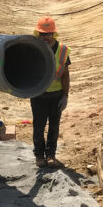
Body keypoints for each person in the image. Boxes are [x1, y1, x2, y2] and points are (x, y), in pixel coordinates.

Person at [29, 15, 71, 167]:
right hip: (38, 95)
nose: (45, 37)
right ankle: (39, 155)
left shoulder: (62, 50)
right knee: (38, 127)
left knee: (54, 126)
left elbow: (65, 74)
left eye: (47, 34)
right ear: (37, 33)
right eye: (42, 34)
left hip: (55, 95)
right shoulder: (33, 48)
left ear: (53, 33)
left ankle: (51, 155)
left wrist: (65, 96)